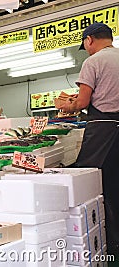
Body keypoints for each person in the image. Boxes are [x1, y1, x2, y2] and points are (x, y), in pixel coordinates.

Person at [55, 22, 119, 255]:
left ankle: (105, 239)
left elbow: (82, 103)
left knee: (91, 182)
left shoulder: (93, 61)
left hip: (103, 128)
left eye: (85, 44)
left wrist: (66, 104)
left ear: (89, 39)